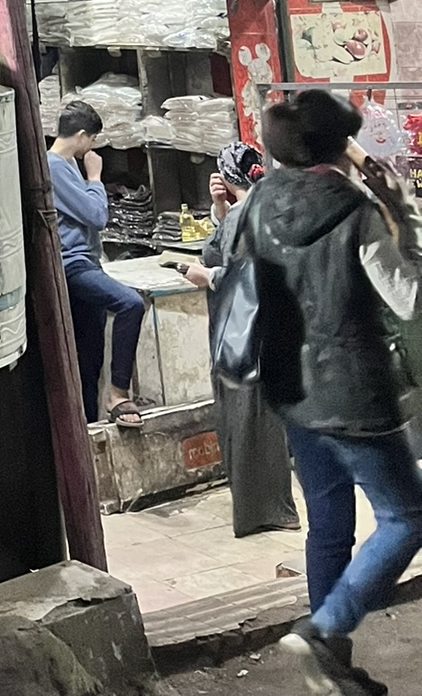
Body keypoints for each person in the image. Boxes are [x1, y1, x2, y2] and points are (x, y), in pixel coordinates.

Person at [238, 89, 422, 695]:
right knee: (406, 516)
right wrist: (406, 216)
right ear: (340, 146)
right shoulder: (357, 209)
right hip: (355, 393)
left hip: (291, 389)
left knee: (329, 524)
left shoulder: (261, 198)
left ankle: (331, 664)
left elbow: (235, 272)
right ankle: (325, 632)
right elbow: (408, 299)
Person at [180, 142, 299, 538]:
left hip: (245, 333)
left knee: (249, 419)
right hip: (260, 332)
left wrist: (207, 277)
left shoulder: (245, 217)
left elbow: (242, 275)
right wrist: (220, 210)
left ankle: (267, 510)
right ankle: (268, 506)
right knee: (255, 419)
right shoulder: (255, 211)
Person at [47, 100, 147, 427]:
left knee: (89, 360)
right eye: (92, 140)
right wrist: (95, 177)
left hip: (87, 262)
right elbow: (97, 216)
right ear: (81, 136)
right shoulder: (55, 166)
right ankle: (118, 394)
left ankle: (89, 428)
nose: (92, 147)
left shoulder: (65, 164)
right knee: (130, 304)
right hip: (73, 266)